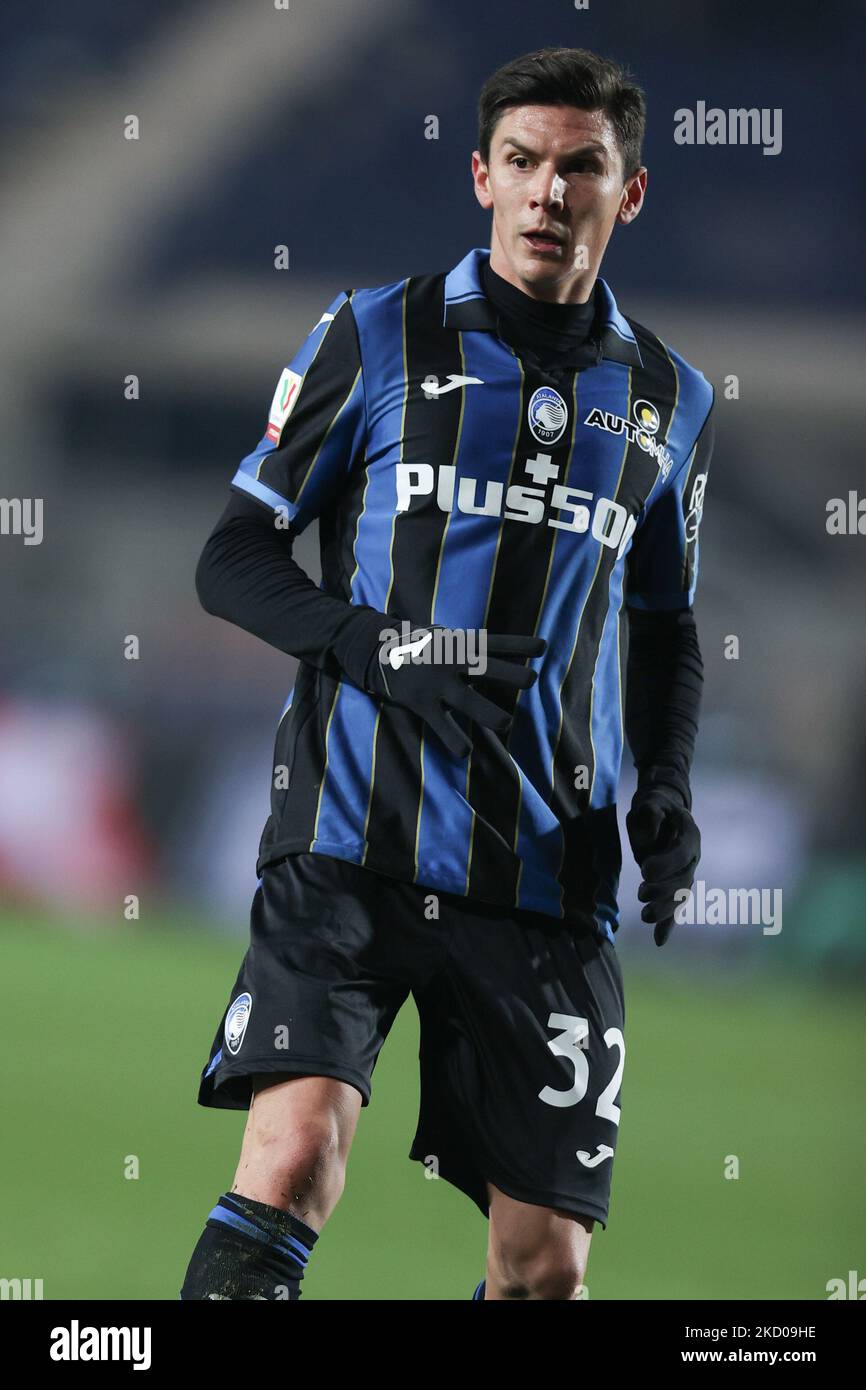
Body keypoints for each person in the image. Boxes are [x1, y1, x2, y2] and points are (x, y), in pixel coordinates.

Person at [180, 44, 714, 1302]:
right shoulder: (371, 335)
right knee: (294, 1152)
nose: (546, 193)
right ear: (481, 176)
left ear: (625, 193)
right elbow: (229, 556)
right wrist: (372, 649)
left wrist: (667, 789)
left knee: (543, 1270)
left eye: (578, 167)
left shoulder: (668, 401)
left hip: (544, 870)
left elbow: (665, 624)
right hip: (349, 841)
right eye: (521, 164)